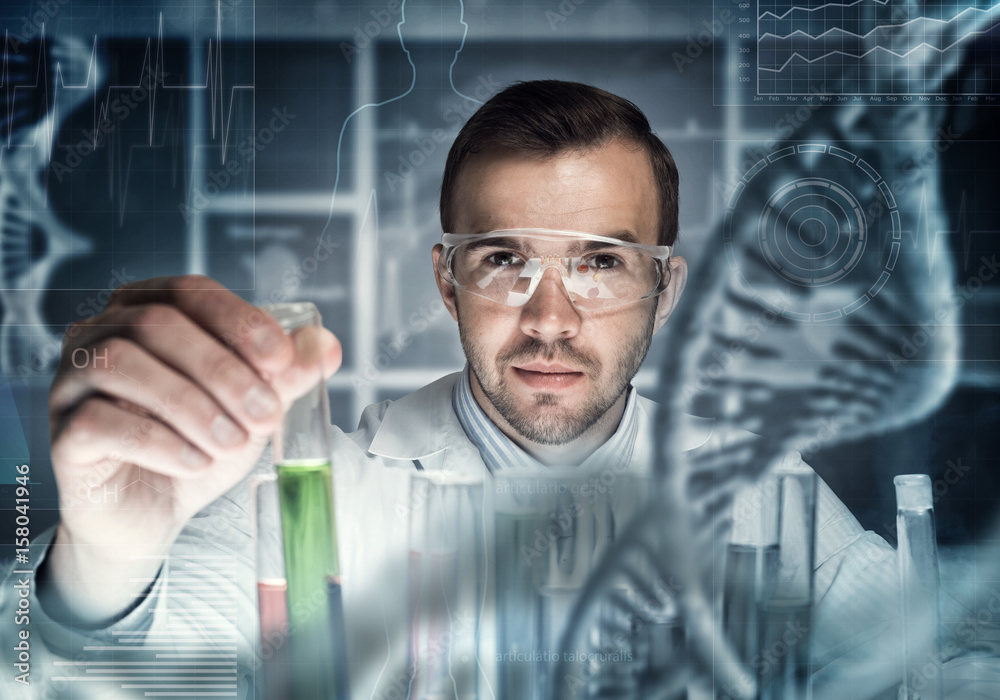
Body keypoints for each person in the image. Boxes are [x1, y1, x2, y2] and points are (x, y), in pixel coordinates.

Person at [0, 80, 991, 699]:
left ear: (663, 284)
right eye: (504, 258)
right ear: (446, 279)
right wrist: (103, 570)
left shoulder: (753, 486)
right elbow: (117, 677)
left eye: (601, 261)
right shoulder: (327, 487)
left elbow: (934, 668)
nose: (550, 318)